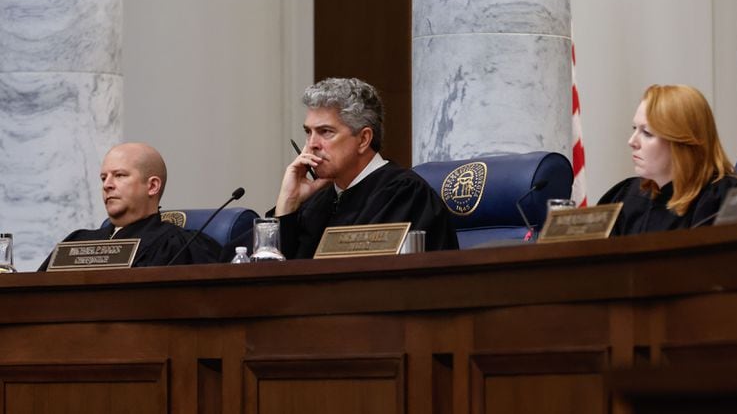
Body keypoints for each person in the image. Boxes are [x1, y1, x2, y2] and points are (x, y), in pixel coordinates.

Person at [225, 77, 459, 260]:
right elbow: (242, 268)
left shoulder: (405, 194)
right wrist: (287, 207)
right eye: (308, 131)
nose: (312, 144)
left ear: (364, 139)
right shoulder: (315, 201)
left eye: (325, 132)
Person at [39, 143, 221, 270]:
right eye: (104, 178)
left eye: (119, 175)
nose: (107, 185)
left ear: (152, 186)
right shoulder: (78, 242)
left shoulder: (179, 246)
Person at [598, 84, 737, 235]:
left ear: (682, 142)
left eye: (647, 133)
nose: (632, 142)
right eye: (635, 129)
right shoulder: (624, 196)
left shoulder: (724, 200)